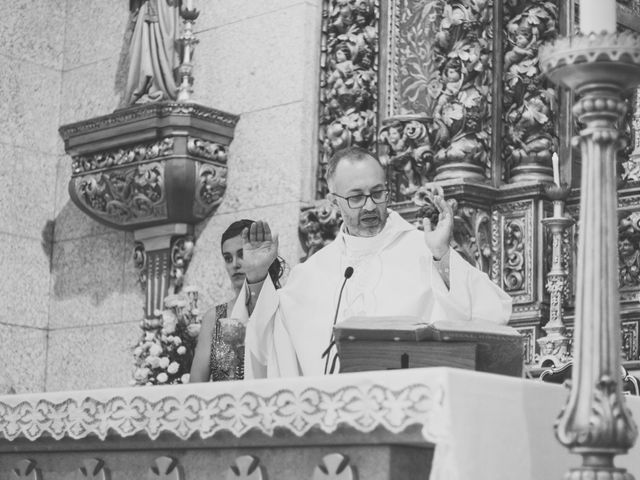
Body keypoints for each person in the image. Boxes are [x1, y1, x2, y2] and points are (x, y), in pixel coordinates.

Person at [232, 146, 513, 378]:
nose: (369, 206)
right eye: (355, 197)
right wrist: (257, 277)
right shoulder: (311, 274)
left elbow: (491, 313)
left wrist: (442, 257)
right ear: (333, 202)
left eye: (377, 193)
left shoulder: (425, 248)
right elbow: (265, 349)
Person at [189, 220, 284, 382]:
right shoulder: (214, 318)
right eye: (228, 258)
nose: (235, 264)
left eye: (242, 254)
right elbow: (195, 385)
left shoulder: (283, 306)